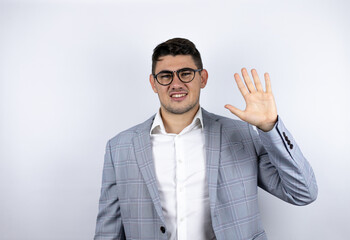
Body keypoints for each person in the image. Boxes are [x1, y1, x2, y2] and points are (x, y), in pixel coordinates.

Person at [94, 38, 318, 240]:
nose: (176, 84)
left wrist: (270, 128)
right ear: (153, 83)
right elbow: (107, 232)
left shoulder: (242, 135)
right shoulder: (119, 147)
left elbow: (303, 193)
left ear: (203, 78)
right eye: (165, 76)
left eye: (186, 73)